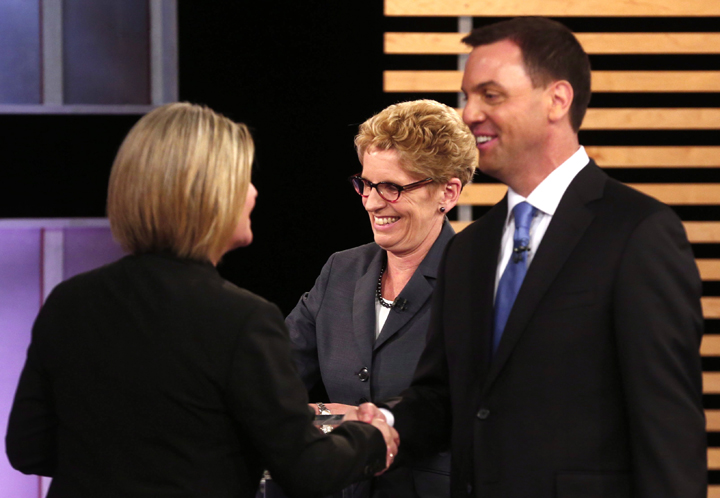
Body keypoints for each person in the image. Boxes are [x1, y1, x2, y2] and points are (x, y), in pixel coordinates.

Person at [350, 17, 707, 498]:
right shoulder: (470, 249)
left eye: (490, 95)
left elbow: (668, 433)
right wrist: (385, 422)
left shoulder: (638, 233)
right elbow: (443, 399)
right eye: (467, 97)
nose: (470, 114)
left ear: (557, 99)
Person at [5, 102, 398, 498]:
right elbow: (306, 468)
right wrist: (373, 439)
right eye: (242, 180)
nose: (253, 193)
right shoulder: (242, 320)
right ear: (209, 196)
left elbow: (28, 450)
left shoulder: (68, 303)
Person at [286, 99, 477, 498]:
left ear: (448, 191)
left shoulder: (473, 282)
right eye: (367, 184)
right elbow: (273, 377)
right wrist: (329, 415)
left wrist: (354, 420)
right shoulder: (341, 270)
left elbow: (470, 415)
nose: (372, 203)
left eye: (392, 187)